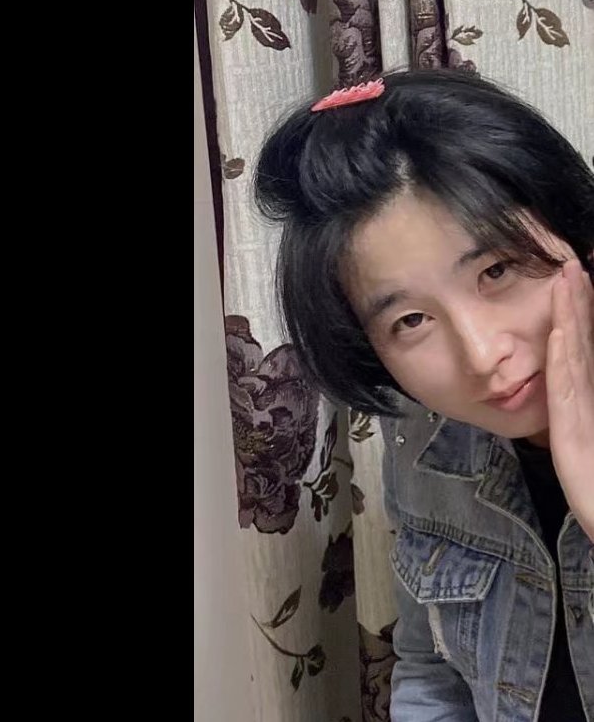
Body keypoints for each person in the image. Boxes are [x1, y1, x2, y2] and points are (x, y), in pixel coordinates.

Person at [253, 68, 594, 720]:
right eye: (410, 321)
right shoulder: (421, 432)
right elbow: (432, 673)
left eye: (496, 270)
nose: (481, 354)